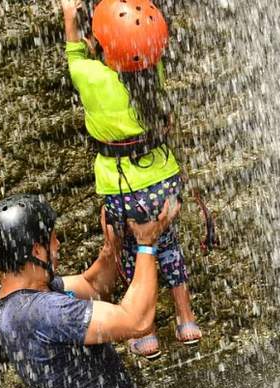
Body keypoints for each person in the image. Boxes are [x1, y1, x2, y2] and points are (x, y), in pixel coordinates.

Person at [59, 0, 202, 358]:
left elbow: (74, 55)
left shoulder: (93, 78)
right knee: (167, 242)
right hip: (165, 182)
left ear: (104, 47)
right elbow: (138, 44)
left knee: (134, 251)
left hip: (124, 188)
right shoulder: (153, 73)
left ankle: (146, 328)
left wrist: (69, 16)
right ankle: (186, 319)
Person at [0, 193, 180, 388]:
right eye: (52, 239)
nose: (58, 245)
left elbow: (93, 285)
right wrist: (147, 243)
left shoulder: (5, 300)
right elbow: (136, 320)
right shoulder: (47, 311)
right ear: (36, 250)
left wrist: (112, 244)